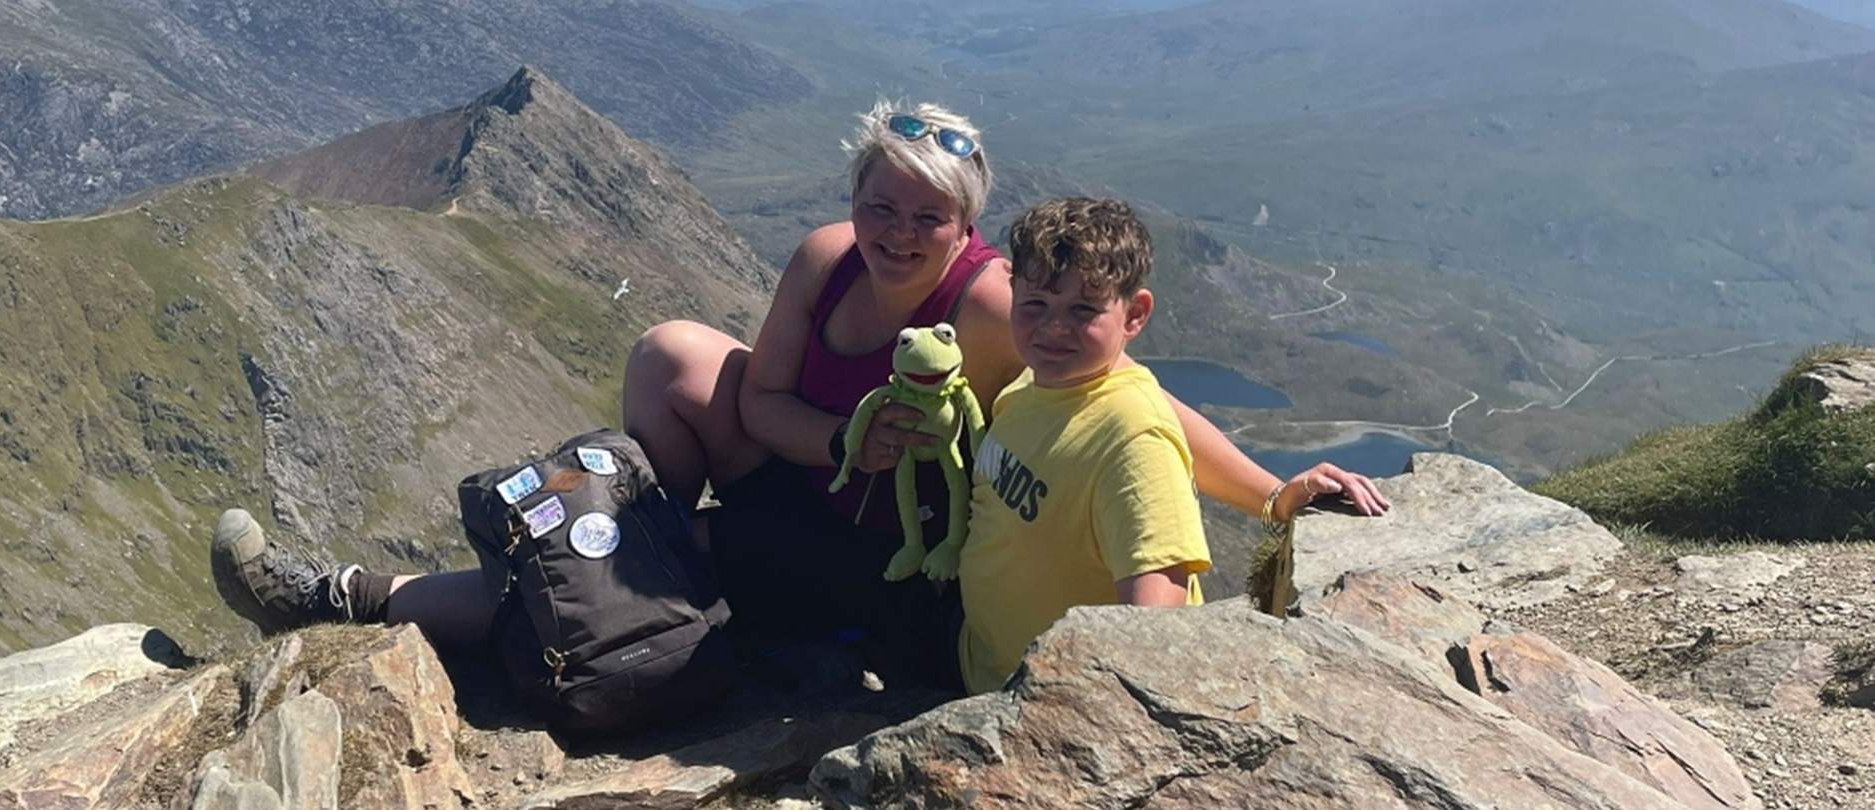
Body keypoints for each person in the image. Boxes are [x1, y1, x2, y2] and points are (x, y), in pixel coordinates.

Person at [210, 100, 1389, 688]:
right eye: (883, 202)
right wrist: (847, 445)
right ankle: (656, 559)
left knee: (621, 589)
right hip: (815, 480)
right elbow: (764, 397)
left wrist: (1276, 496)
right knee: (674, 354)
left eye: (929, 214)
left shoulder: (998, 308)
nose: (898, 230)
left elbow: (1139, 408)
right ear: (856, 194)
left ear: (967, 224)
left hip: (875, 548)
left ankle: (345, 599)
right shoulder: (830, 255)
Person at [957, 197, 1212, 693]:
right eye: (1035, 305)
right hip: (979, 660)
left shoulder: (1135, 440)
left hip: (1038, 710)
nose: (1054, 327)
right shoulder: (1033, 383)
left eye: (1083, 309)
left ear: (1134, 315)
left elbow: (1152, 632)